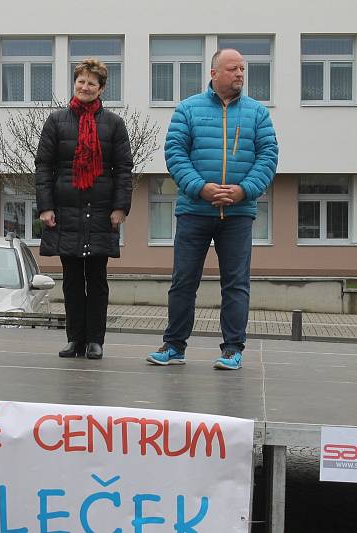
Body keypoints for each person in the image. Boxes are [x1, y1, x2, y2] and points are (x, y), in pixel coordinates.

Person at [146, 48, 278, 370]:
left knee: (236, 284)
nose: (240, 75)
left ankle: (233, 349)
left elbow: (268, 156)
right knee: (183, 281)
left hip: (238, 214)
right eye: (233, 69)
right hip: (194, 211)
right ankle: (174, 346)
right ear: (214, 73)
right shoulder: (188, 110)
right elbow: (175, 153)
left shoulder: (257, 113)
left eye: (243, 70)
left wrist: (243, 190)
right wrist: (200, 188)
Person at [35, 58, 133, 360]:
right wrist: (45, 207)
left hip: (101, 211)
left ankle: (95, 340)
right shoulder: (56, 121)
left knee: (97, 280)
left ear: (101, 87)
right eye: (81, 81)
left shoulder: (114, 123)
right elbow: (44, 166)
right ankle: (75, 339)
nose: (85, 87)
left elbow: (123, 169)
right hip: (65, 210)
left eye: (92, 83)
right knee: (73, 281)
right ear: (74, 83)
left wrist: (120, 208)